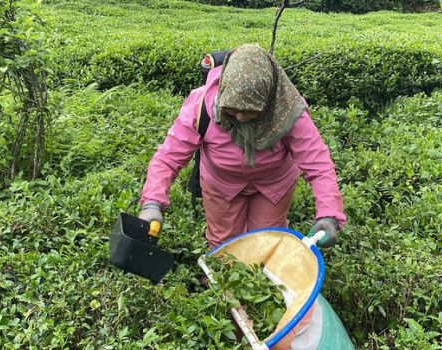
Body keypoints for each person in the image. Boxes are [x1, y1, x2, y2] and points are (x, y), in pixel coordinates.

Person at [138, 44, 346, 249]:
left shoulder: (289, 110)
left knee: (266, 240)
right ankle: (220, 278)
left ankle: (263, 280)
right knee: (224, 242)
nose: (240, 117)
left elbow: (318, 165)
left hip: (274, 183)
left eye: (251, 112)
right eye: (232, 111)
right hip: (221, 183)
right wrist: (152, 204)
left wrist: (329, 216)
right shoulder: (200, 105)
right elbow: (168, 158)